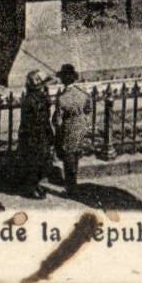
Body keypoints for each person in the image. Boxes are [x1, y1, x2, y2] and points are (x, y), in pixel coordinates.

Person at [15, 72, 55, 199]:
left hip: (40, 134)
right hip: (33, 135)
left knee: (42, 161)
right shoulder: (31, 100)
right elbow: (33, 120)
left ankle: (35, 185)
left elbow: (45, 119)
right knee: (33, 162)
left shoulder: (40, 98)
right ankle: (31, 188)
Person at [53, 64, 91, 195]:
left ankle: (71, 187)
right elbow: (88, 109)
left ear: (63, 79)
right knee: (76, 155)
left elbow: (58, 120)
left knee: (68, 157)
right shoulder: (83, 94)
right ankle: (74, 182)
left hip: (68, 128)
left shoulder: (62, 98)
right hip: (80, 127)